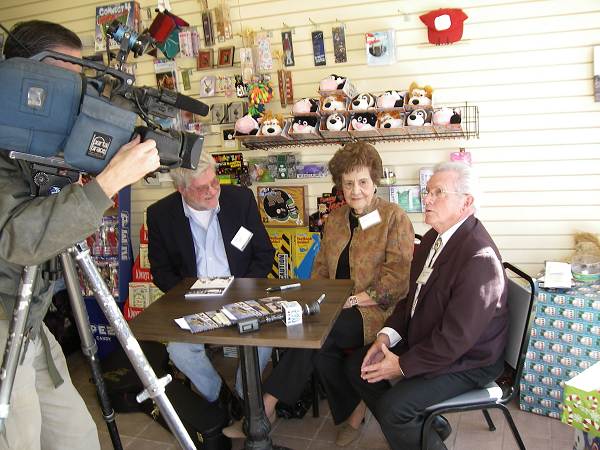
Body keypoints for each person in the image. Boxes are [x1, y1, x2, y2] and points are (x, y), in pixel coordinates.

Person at [0, 20, 160, 450]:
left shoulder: (34, 144)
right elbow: (16, 236)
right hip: (3, 325)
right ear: (29, 77)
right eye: (68, 77)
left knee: (78, 437)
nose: (78, 93)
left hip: (30, 320)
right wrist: (106, 185)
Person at [224, 142, 414, 444]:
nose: (356, 191)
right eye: (348, 183)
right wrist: (315, 298)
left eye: (363, 182)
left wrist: (354, 300)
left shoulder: (394, 217)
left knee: (319, 333)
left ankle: (264, 409)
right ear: (340, 184)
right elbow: (321, 268)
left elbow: (397, 281)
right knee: (318, 346)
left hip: (377, 312)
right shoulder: (336, 219)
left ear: (375, 180)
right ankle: (353, 414)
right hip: (334, 306)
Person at [346, 161, 509, 450]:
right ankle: (428, 427)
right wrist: (385, 337)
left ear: (466, 202)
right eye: (427, 191)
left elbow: (455, 340)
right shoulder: (435, 237)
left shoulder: (479, 258)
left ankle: (416, 428)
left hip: (470, 359)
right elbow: (411, 300)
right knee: (356, 366)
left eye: (438, 192)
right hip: (431, 340)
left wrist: (402, 365)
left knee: (394, 410)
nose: (427, 198)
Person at [146, 150, 275, 416]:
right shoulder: (160, 214)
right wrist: (188, 295)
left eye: (214, 182)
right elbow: (161, 271)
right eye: (202, 188)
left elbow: (264, 253)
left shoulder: (240, 200)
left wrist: (244, 291)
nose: (212, 191)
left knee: (263, 340)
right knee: (179, 351)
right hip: (193, 300)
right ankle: (218, 395)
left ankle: (242, 395)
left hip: (242, 293)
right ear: (182, 190)